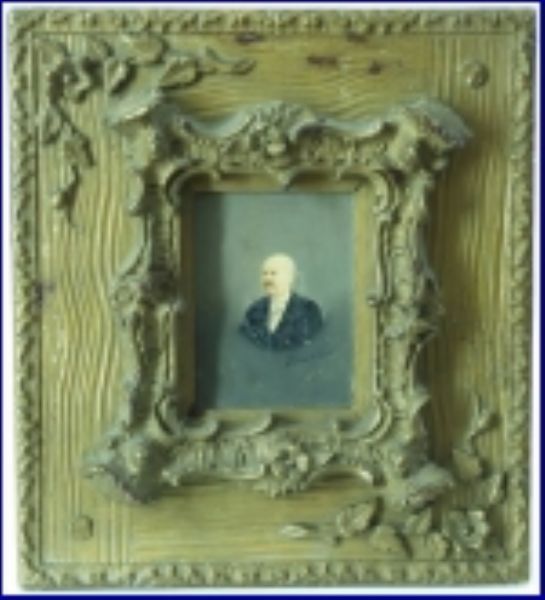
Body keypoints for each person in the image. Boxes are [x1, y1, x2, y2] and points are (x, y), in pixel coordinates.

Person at [239, 253, 323, 351]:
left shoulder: (308, 309)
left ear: (289, 278)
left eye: (273, 273)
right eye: (264, 273)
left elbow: (314, 346)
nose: (267, 278)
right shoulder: (254, 310)